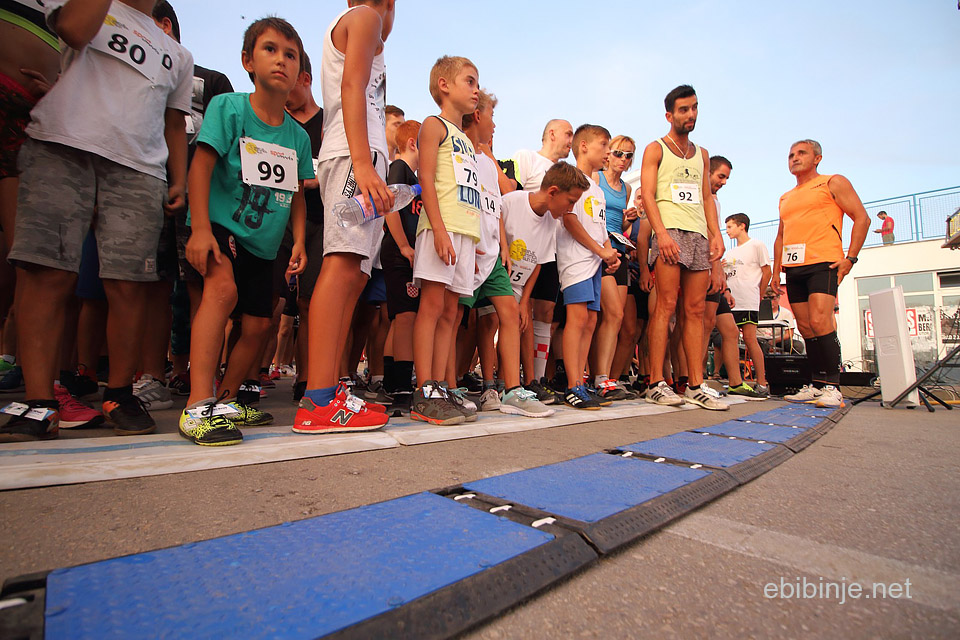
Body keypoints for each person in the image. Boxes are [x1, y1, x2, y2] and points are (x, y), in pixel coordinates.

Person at [0, 0, 193, 442]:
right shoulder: (88, 6)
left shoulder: (177, 54)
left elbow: (174, 120)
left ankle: (119, 392)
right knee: (46, 272)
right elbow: (70, 28)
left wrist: (177, 177)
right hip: (61, 143)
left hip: (140, 168)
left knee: (129, 284)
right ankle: (39, 401)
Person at [179, 17, 312, 446]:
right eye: (270, 50)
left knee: (257, 327)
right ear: (247, 61)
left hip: (267, 243)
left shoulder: (298, 137)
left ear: (298, 70)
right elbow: (200, 167)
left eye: (290, 55)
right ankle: (197, 405)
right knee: (221, 293)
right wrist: (200, 229)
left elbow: (295, 194)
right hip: (218, 225)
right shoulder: (229, 108)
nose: (281, 61)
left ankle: (226, 399)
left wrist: (300, 243)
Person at [296, 0, 396, 434]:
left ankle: (330, 388)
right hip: (353, 155)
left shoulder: (365, 22)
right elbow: (351, 88)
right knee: (340, 269)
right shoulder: (365, 17)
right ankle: (317, 398)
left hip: (360, 154)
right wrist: (362, 161)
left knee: (354, 274)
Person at [458, 89, 554, 418]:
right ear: (477, 115)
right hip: (467, 248)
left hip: (494, 256)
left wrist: (501, 245)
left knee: (509, 313)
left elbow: (496, 206)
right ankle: (452, 385)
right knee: (458, 319)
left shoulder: (488, 162)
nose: (496, 125)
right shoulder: (458, 153)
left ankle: (513, 389)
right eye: (493, 116)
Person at [639, 85, 728, 410]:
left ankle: (694, 383)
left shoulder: (702, 154)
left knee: (694, 312)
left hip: (699, 236)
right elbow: (648, 194)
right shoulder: (656, 149)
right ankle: (655, 382)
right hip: (670, 232)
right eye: (683, 110)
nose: (690, 115)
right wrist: (661, 234)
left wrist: (716, 235)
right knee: (665, 306)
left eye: (694, 108)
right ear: (670, 115)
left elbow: (705, 197)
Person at [408, 55, 482, 426]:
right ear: (444, 85)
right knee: (432, 306)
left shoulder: (467, 140)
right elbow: (427, 178)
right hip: (442, 227)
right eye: (469, 81)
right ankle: (424, 390)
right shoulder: (433, 126)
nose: (476, 89)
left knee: (452, 312)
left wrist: (477, 235)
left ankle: (439, 385)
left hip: (465, 231)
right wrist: (437, 228)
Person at [772, 139, 869, 408]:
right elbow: (780, 237)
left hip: (823, 262)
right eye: (791, 154)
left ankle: (833, 386)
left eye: (801, 153)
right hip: (793, 268)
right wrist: (774, 272)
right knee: (804, 326)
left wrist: (850, 258)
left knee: (820, 320)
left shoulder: (832, 182)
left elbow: (861, 217)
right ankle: (815, 384)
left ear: (817, 158)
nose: (794, 158)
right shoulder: (785, 197)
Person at [502, 162, 587, 403]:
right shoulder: (512, 201)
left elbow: (538, 262)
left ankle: (532, 381)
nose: (571, 208)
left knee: (525, 317)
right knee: (490, 322)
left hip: (520, 284)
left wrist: (525, 301)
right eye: (570, 201)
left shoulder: (552, 222)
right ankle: (494, 382)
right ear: (552, 192)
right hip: (496, 278)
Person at [557, 124, 619, 409]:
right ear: (583, 146)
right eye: (604, 145)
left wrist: (609, 252)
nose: (607, 152)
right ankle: (572, 384)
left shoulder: (597, 188)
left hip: (595, 262)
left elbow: (601, 226)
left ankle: (581, 380)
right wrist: (598, 251)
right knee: (577, 319)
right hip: (576, 259)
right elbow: (569, 219)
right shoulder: (573, 177)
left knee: (591, 321)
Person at [512, 119, 574, 387]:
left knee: (546, 313)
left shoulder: (570, 174)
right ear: (552, 134)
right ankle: (510, 379)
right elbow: (513, 195)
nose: (571, 140)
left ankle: (536, 378)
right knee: (516, 312)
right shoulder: (527, 158)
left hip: (550, 250)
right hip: (522, 248)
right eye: (568, 133)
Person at [284, 51, 324, 404]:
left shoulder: (329, 124)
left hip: (318, 220)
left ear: (306, 78)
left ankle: (307, 377)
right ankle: (246, 379)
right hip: (273, 218)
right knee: (263, 305)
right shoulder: (273, 121)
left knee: (309, 303)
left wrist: (315, 179)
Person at [591, 134, 635, 400]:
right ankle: (594, 377)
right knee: (605, 315)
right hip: (600, 250)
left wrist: (629, 220)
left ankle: (603, 378)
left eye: (629, 155)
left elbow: (621, 224)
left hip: (621, 251)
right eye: (619, 153)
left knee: (615, 318)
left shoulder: (627, 189)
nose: (623, 159)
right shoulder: (597, 178)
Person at [381, 119, 421, 410]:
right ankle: (403, 387)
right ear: (412, 143)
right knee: (406, 317)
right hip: (399, 252)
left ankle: (392, 383)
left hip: (404, 252)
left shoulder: (413, 176)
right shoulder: (400, 168)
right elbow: (390, 207)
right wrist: (405, 245)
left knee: (399, 319)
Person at [723, 213, 771, 398]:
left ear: (742, 226)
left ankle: (762, 383)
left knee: (750, 339)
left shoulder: (756, 245)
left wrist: (759, 294)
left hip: (748, 299)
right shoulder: (730, 253)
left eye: (730, 227)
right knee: (730, 339)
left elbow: (767, 271)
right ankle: (735, 381)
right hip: (732, 299)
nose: (727, 231)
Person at [758, 290, 801, 354]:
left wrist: (775, 341)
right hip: (761, 338)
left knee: (798, 346)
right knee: (762, 345)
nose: (769, 301)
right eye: (765, 298)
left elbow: (789, 333)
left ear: (778, 298)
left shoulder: (786, 313)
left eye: (772, 298)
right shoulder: (756, 312)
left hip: (779, 339)